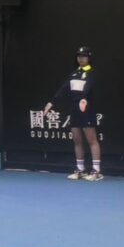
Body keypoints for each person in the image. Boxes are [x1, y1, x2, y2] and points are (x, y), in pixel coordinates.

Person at [43, 46, 103, 181]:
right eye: (79, 56)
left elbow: (89, 87)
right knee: (77, 140)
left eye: (84, 56)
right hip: (75, 109)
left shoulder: (92, 72)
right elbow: (63, 89)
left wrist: (83, 99)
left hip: (86, 108)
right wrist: (51, 103)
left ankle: (96, 171)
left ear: (89, 58)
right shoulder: (74, 73)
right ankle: (80, 169)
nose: (81, 59)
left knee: (91, 140)